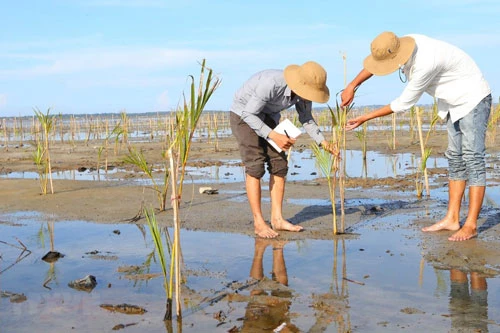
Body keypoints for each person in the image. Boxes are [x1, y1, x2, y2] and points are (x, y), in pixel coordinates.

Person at [341, 31, 492, 242]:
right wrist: (352, 85)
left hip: (473, 98)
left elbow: (403, 103)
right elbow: (376, 62)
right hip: (452, 102)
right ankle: (452, 218)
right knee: (455, 159)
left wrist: (365, 118)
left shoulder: (425, 63)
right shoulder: (398, 43)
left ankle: (471, 225)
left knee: (472, 158)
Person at [230, 61, 337, 238]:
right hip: (243, 114)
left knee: (279, 164)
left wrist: (323, 142)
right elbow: (249, 114)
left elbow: (306, 118)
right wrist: (273, 135)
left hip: (268, 116)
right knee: (255, 166)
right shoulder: (271, 83)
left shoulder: (304, 93)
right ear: (300, 83)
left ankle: (277, 219)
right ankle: (258, 222)